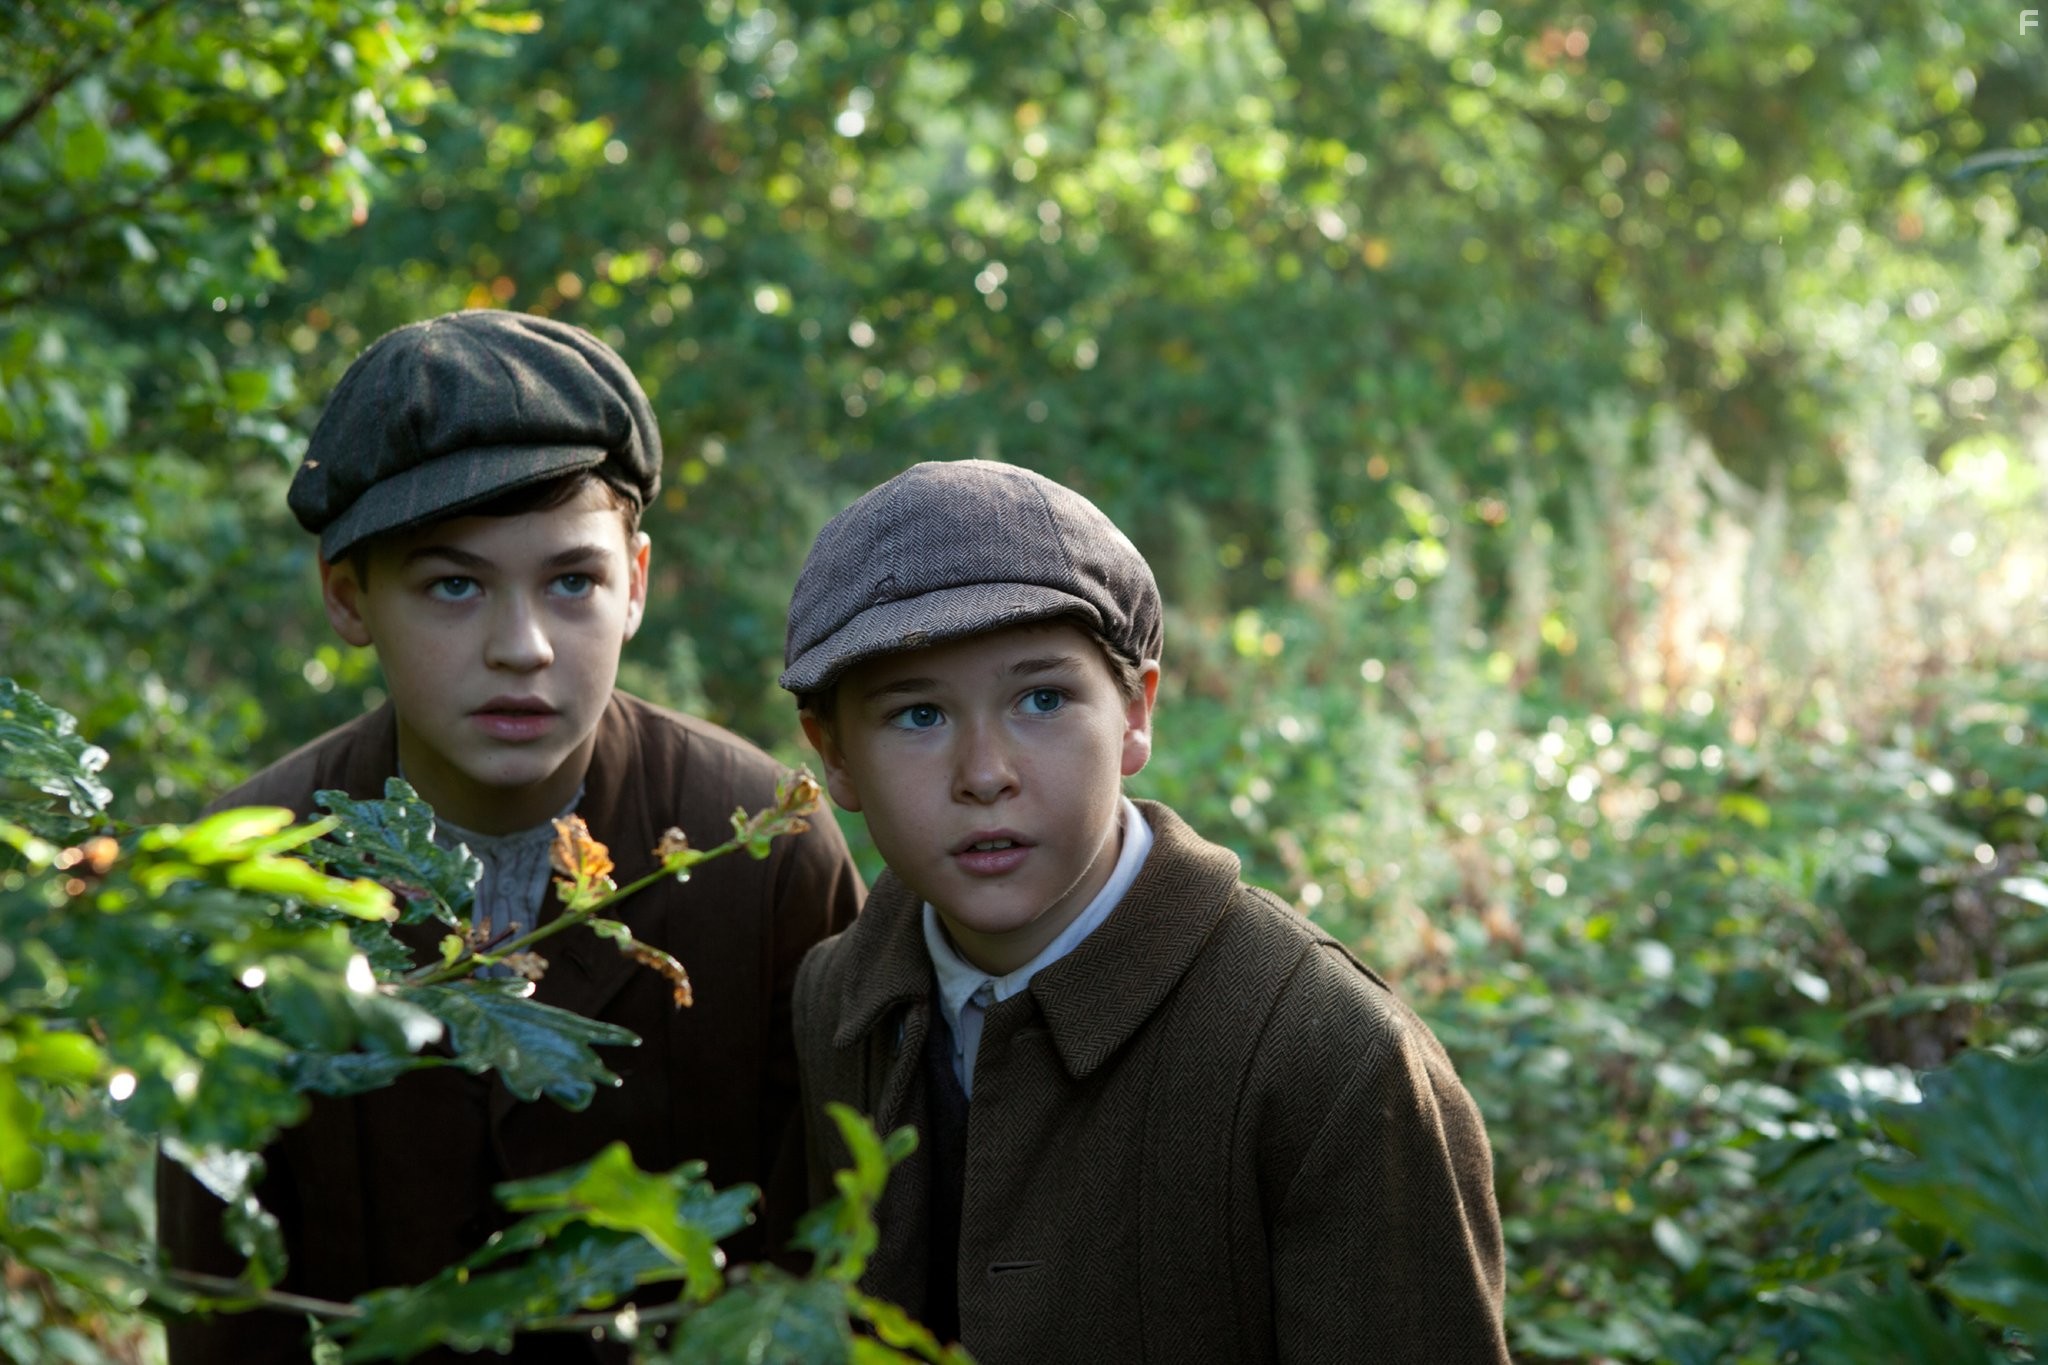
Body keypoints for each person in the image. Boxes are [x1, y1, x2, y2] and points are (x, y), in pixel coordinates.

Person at [156, 310, 863, 1363]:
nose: (520, 648)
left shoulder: (757, 853)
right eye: (453, 586)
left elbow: (831, 1262)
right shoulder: (252, 876)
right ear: (349, 597)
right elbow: (221, 1302)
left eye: (571, 582)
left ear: (636, 583)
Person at [780, 460, 1509, 1362]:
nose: (984, 772)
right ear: (834, 755)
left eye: (1042, 699)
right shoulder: (837, 999)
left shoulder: (1332, 1057)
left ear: (1134, 712)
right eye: (917, 715)